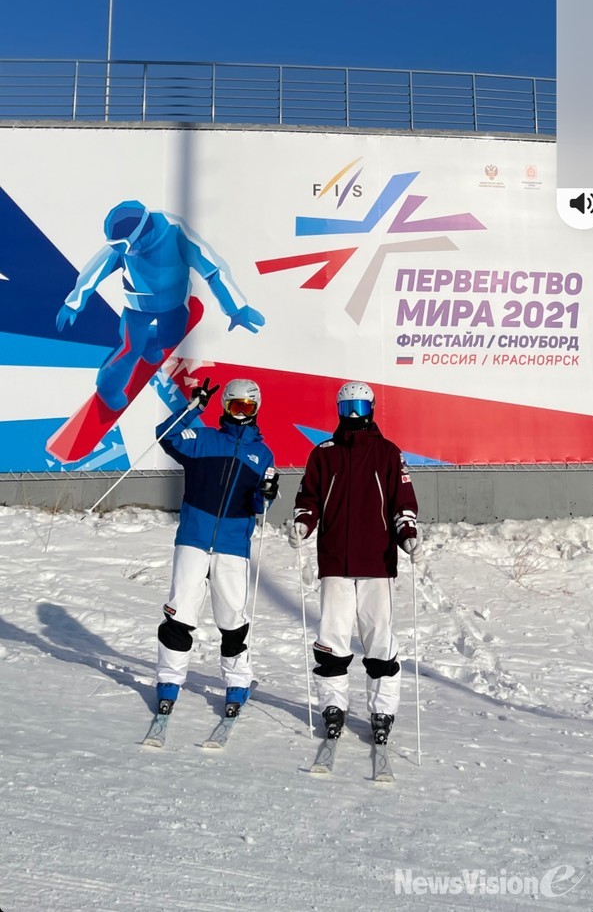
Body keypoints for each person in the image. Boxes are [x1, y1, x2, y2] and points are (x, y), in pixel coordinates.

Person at [289, 381, 420, 746]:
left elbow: (402, 499)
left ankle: (382, 709)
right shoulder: (324, 454)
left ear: (372, 409)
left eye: (360, 409)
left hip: (377, 561)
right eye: (348, 410)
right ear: (338, 411)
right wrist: (303, 522)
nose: (354, 416)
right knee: (332, 636)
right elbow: (309, 497)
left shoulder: (388, 453)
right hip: (335, 560)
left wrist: (407, 530)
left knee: (379, 636)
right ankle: (333, 705)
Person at [56, 200, 264, 411]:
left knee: (171, 338)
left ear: (143, 233)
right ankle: (108, 388)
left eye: (123, 246)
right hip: (136, 306)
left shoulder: (177, 235)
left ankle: (148, 344)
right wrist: (73, 303)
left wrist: (236, 309)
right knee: (130, 349)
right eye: (116, 246)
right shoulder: (122, 251)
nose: (121, 251)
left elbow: (212, 272)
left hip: (172, 303)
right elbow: (94, 271)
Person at [154, 376, 278, 719]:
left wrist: (266, 494)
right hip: (194, 538)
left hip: (232, 545)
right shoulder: (202, 439)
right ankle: (169, 679)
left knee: (232, 617)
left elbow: (259, 503)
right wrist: (193, 408)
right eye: (234, 406)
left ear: (256, 409)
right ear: (225, 406)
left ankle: (237, 680)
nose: (240, 414)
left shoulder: (262, 453)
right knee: (180, 611)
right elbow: (166, 436)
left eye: (247, 408)